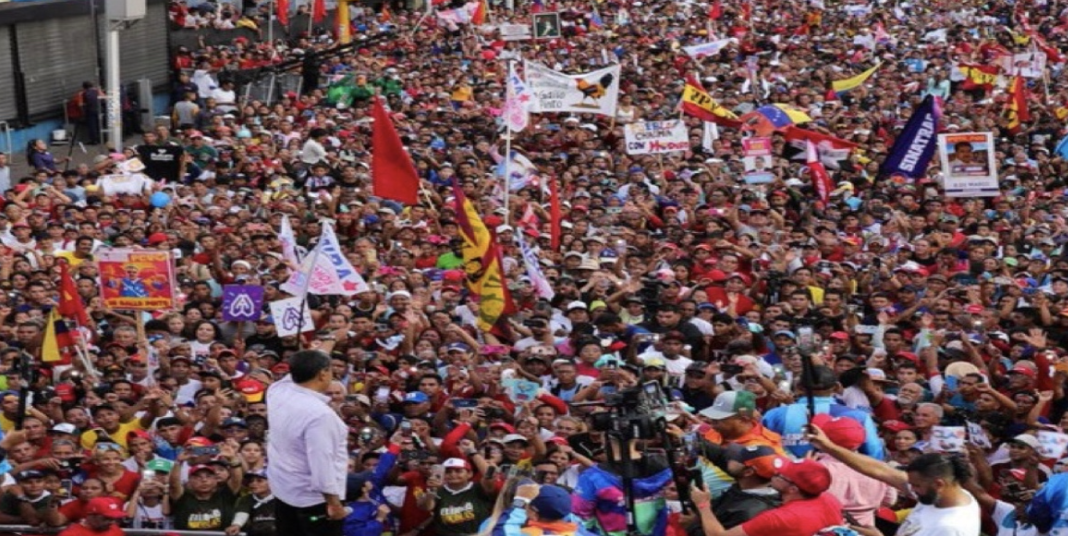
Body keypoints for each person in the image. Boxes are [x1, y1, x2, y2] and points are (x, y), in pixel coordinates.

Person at [806, 423, 980, 536]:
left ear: (939, 483)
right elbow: (880, 470)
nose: (911, 490)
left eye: (916, 486)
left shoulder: (949, 528)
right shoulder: (945, 492)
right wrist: (828, 446)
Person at [267, 349, 349, 536]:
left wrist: (330, 340)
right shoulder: (320, 415)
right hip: (314, 501)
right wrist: (333, 503)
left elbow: (296, 371)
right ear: (322, 373)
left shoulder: (277, 390)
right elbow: (321, 462)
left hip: (283, 491)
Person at [689, 457, 844, 536]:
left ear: (793, 489)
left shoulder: (776, 518)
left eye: (781, 475)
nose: (774, 474)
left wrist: (704, 506)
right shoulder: (829, 499)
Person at [492, 483, 592, 536]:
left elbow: (503, 530)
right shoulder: (584, 533)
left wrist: (519, 501)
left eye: (527, 506)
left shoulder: (528, 534)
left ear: (534, 514)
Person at [57, 497, 127, 536]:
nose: (112, 522)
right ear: (91, 516)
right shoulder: (72, 534)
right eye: (107, 518)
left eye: (113, 519)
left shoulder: (114, 529)